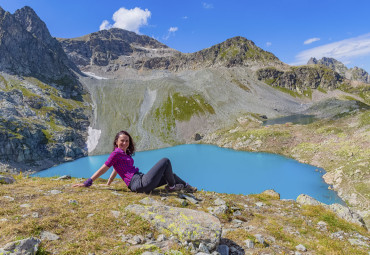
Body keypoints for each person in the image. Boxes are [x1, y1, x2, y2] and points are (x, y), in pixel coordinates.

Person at [73, 130, 197, 193]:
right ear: (116, 142)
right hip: (138, 183)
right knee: (165, 161)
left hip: (141, 180)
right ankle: (172, 187)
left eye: (127, 141)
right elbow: (103, 168)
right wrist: (87, 183)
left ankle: (187, 187)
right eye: (122, 140)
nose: (125, 143)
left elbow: (116, 168)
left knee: (171, 175)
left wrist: (109, 182)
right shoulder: (115, 153)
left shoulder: (123, 154)